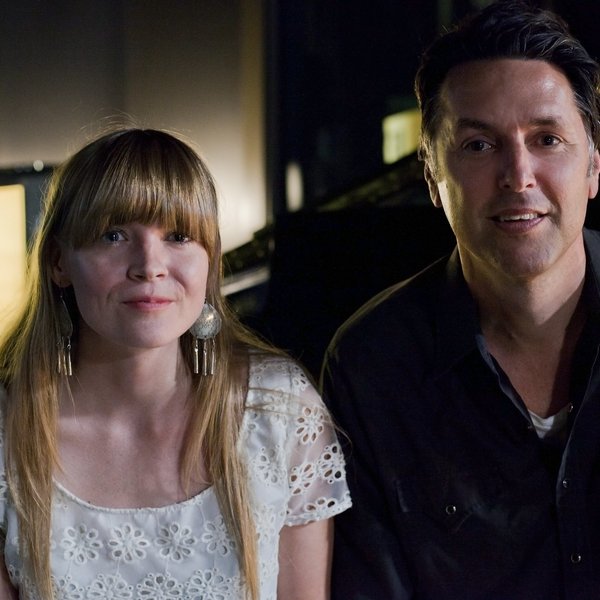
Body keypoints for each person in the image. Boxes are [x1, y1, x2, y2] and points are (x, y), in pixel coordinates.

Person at [322, 1, 600, 598]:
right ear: (431, 177)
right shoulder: (373, 362)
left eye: (547, 139)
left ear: (593, 167)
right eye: (478, 145)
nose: (518, 175)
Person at [0, 128, 351, 600]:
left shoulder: (279, 411)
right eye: (114, 235)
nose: (150, 266)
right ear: (58, 263)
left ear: (210, 260)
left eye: (179, 236)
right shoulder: (7, 429)